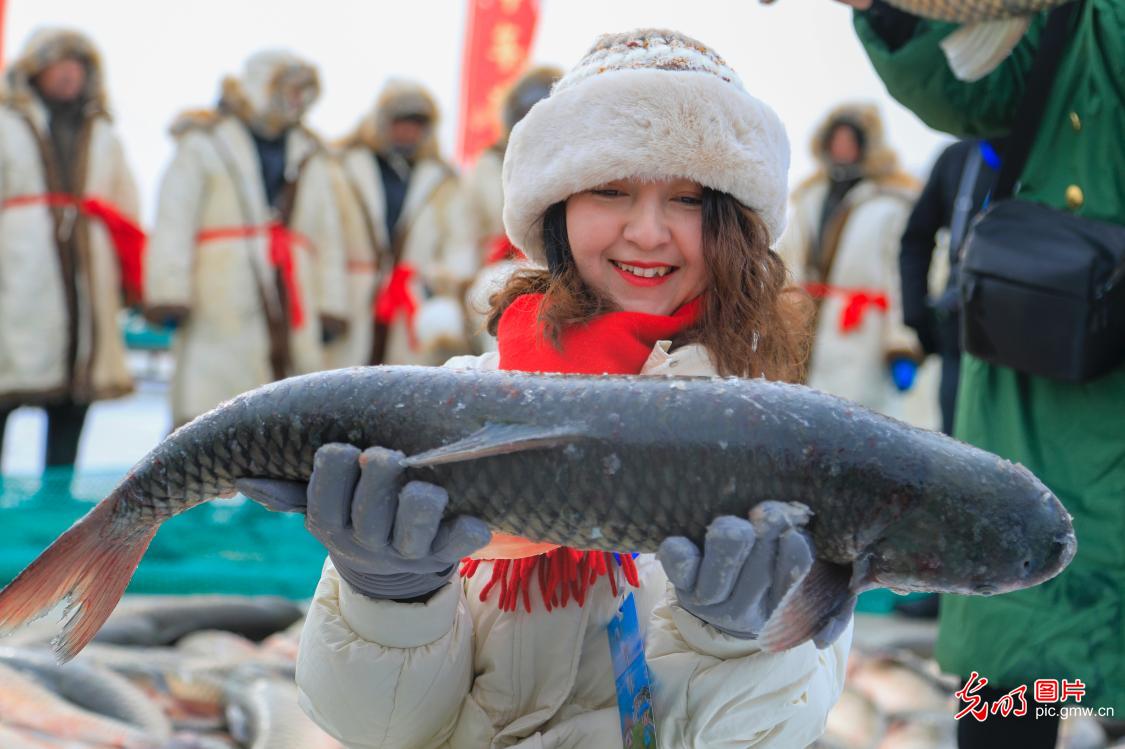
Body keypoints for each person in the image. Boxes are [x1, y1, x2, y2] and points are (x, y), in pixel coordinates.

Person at [239, 29, 852, 748]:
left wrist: (736, 643)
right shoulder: (448, 409)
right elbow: (379, 729)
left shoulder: (786, 446)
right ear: (555, 207)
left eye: (688, 199)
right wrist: (388, 600)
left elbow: (773, 732)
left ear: (736, 224)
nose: (647, 231)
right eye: (609, 188)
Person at [845, 0, 1125, 745]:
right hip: (1038, 364)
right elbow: (971, 93)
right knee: (1012, 678)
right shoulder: (1073, 21)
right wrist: (887, 13)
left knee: (1092, 681)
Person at [145, 50, 348, 427]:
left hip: (291, 288)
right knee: (209, 407)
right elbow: (174, 217)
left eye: (303, 91)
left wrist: (330, 305)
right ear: (260, 88)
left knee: (283, 414)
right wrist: (169, 291)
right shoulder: (204, 142)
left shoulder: (311, 154)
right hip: (218, 290)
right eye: (287, 89)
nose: (296, 100)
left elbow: (327, 236)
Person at [0, 28, 141, 467]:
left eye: (78, 65)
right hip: (19, 274)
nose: (69, 74)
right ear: (35, 71)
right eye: (59, 64)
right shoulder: (4, 125)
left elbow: (126, 207)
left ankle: (60, 523)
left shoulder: (104, 134)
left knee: (73, 400)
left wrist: (132, 281)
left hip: (86, 282)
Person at [777, 102, 926, 422]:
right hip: (806, 324)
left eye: (850, 139)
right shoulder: (809, 197)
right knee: (801, 418)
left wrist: (901, 344)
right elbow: (786, 259)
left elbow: (897, 275)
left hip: (860, 333)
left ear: (865, 145)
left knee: (856, 422)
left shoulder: (890, 203)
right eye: (837, 139)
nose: (842, 147)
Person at [329, 79, 477, 369]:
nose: (408, 130)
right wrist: (329, 303)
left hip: (412, 299)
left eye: (417, 123)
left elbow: (459, 243)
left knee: (402, 389)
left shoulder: (443, 181)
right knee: (341, 388)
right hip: (354, 293)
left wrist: (442, 287)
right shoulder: (343, 167)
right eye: (401, 121)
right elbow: (327, 236)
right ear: (383, 122)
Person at [899, 138, 1001, 436]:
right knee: (957, 442)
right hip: (960, 328)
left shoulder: (1045, 152)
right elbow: (916, 237)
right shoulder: (959, 158)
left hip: (1027, 333)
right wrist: (916, 311)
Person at [463, 65, 560, 353]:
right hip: (496, 267)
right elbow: (469, 227)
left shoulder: (570, 164)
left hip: (559, 268)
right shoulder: (488, 165)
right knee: (492, 293)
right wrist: (460, 278)